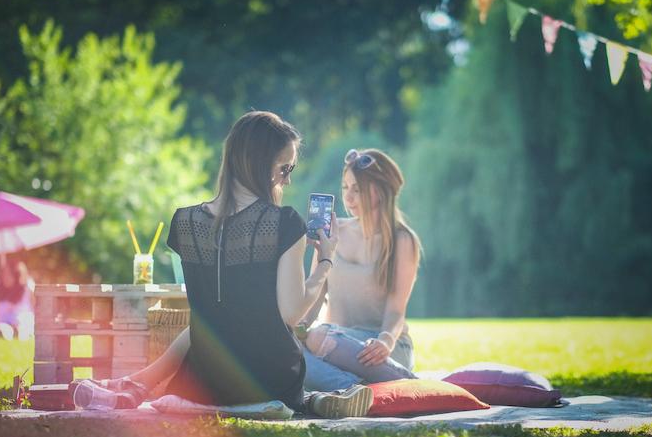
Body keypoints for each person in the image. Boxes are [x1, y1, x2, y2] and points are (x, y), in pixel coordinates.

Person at [75, 111, 372, 418]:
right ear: (259, 165)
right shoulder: (284, 223)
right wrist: (325, 260)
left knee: (210, 321)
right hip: (270, 380)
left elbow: (216, 316)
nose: (288, 179)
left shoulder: (184, 222)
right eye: (285, 168)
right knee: (238, 337)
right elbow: (292, 314)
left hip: (202, 384)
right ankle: (310, 401)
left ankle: (134, 385)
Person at [299, 149, 422, 391]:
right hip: (333, 343)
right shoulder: (334, 233)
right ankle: (354, 390)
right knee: (292, 353)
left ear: (381, 190)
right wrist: (297, 329)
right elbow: (314, 298)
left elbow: (396, 310)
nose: (348, 197)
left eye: (357, 189)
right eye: (345, 188)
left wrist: (385, 341)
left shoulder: (402, 240)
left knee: (320, 336)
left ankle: (382, 385)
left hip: (382, 348)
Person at [0, 260, 35, 340]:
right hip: (3, 325)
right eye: (4, 274)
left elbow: (35, 308)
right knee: (3, 329)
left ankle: (15, 333)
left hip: (23, 325)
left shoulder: (27, 288)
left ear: (16, 275)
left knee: (19, 329)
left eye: (8, 274)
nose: (5, 277)